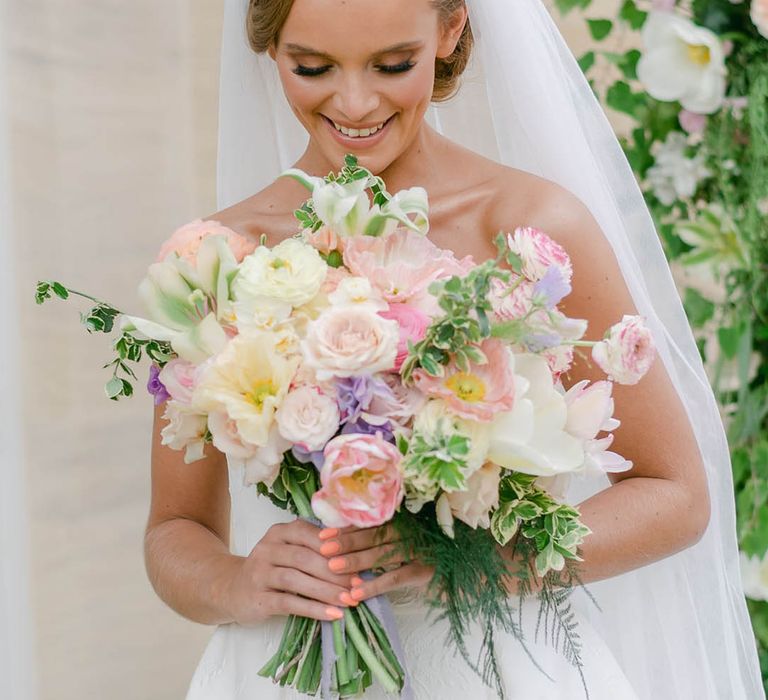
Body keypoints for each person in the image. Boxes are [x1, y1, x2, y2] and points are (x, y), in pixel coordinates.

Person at [144, 0, 764, 698]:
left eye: (392, 64)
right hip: (290, 664)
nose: (354, 102)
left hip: (494, 666)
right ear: (270, 48)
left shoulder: (530, 231)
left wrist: (477, 559)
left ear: (450, 30)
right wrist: (237, 581)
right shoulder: (216, 258)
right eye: (312, 67)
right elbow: (174, 528)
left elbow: (675, 494)